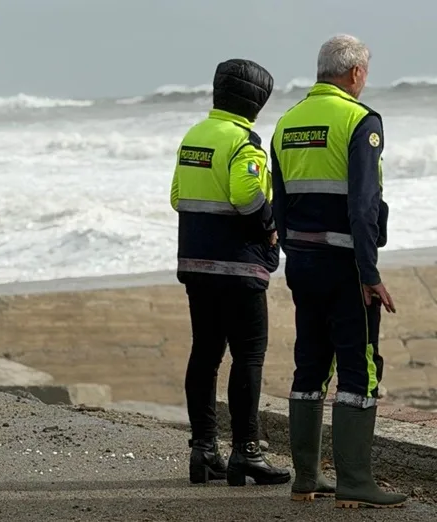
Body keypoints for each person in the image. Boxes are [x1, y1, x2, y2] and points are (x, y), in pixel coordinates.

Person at [271, 34, 407, 508]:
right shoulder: (359, 120)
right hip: (347, 266)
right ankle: (354, 482)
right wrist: (369, 273)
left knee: (309, 363)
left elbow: (279, 204)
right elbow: (364, 205)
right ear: (354, 74)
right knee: (359, 367)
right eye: (365, 73)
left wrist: (293, 255)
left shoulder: (286, 123)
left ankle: (305, 479)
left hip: (302, 264)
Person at [170, 58, 291, 487]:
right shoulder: (245, 143)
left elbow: (176, 195)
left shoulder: (194, 137)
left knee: (205, 352)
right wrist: (270, 225)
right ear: (254, 102)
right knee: (249, 355)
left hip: (196, 265)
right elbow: (245, 193)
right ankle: (247, 453)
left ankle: (203, 450)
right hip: (239, 269)